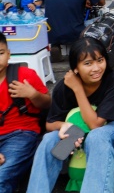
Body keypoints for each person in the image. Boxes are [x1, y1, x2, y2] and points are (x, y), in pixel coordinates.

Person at [27, 37, 114, 192]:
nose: (96, 68)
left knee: (96, 136)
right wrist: (65, 125)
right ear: (75, 67)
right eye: (88, 63)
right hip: (78, 129)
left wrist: (78, 89)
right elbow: (50, 124)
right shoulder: (63, 88)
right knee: (49, 140)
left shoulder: (113, 79)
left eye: (100, 60)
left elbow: (95, 125)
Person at [0, 33, 51, 193]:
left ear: (8, 53)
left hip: (20, 134)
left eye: (0, 53)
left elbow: (48, 104)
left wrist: (32, 94)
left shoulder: (24, 75)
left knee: (3, 174)